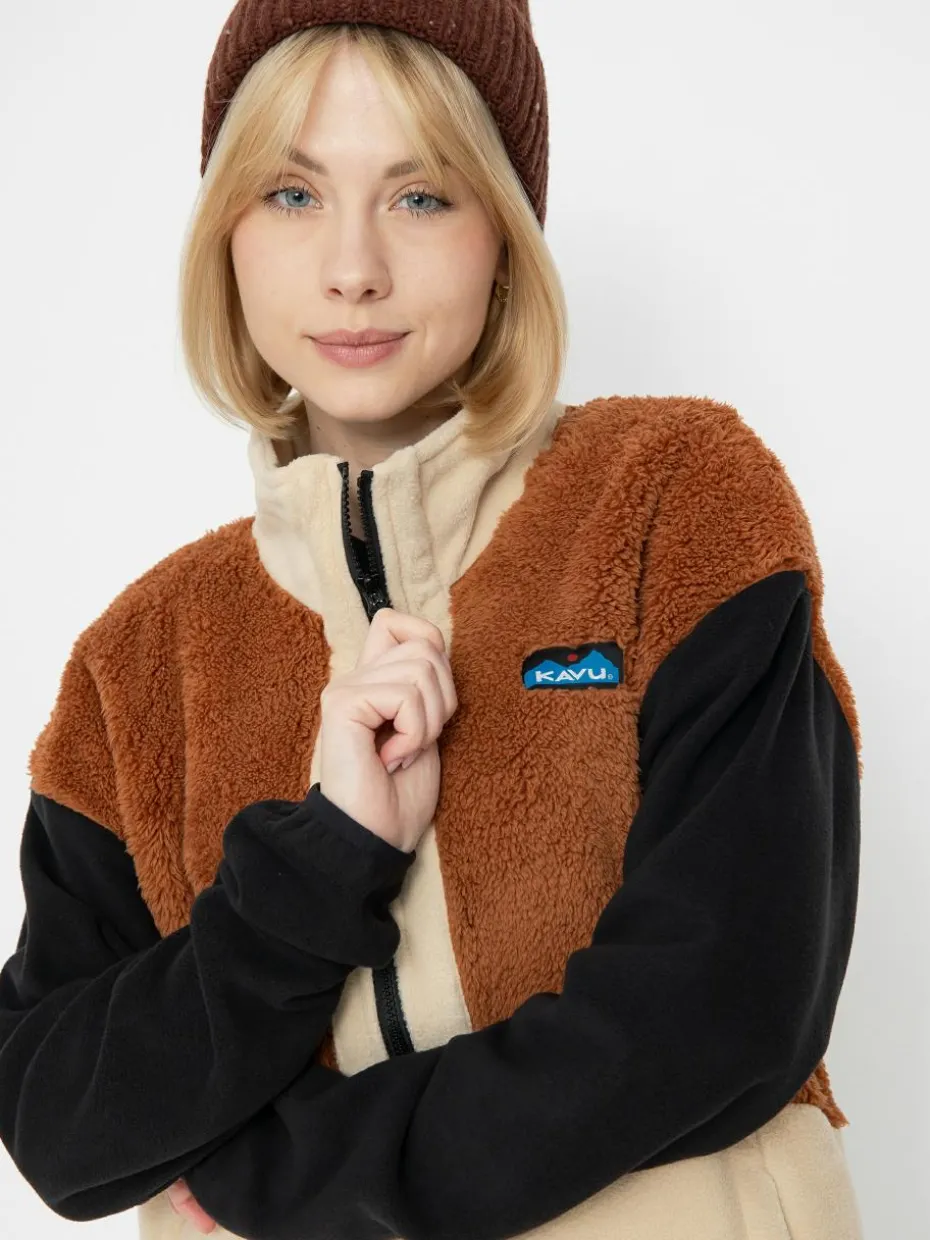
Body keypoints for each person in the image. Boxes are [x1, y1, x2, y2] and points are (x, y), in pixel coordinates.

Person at [0, 4, 865, 1239]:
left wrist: (278, 1176)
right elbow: (58, 1124)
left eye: (420, 195)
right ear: (226, 233)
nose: (353, 267)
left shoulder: (672, 501)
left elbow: (725, 1004)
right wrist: (324, 861)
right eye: (292, 195)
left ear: (503, 232)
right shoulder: (137, 664)